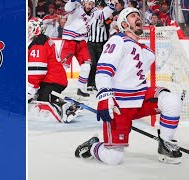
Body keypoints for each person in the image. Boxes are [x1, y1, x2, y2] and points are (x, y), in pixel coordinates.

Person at [75, 7, 183, 164]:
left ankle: (166, 145)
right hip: (119, 105)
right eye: (133, 16)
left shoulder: (146, 51)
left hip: (140, 98)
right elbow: (103, 70)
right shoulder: (117, 41)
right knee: (114, 158)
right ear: (124, 24)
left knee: (172, 100)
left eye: (139, 15)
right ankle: (93, 146)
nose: (138, 18)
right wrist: (105, 97)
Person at [60, 0, 118, 97]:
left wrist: (112, 5)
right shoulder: (77, 8)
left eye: (91, 4)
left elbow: (104, 14)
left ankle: (81, 89)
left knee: (87, 66)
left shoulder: (94, 12)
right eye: (88, 3)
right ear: (84, 3)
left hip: (82, 42)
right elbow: (68, 8)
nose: (90, 6)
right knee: (63, 66)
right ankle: (54, 86)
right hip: (69, 41)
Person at [27, 18, 76, 123]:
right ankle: (58, 102)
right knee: (37, 99)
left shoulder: (38, 43)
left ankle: (64, 108)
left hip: (52, 81)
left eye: (30, 28)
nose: (27, 31)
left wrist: (31, 89)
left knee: (42, 104)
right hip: (53, 79)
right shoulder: (42, 40)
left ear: (37, 29)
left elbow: (37, 71)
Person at [86, 0, 109, 92]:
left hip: (102, 43)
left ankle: (96, 83)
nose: (100, 9)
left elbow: (110, 23)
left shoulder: (106, 17)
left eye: (101, 7)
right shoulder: (91, 15)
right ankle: (89, 83)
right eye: (99, 7)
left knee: (99, 65)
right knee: (92, 64)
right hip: (91, 43)